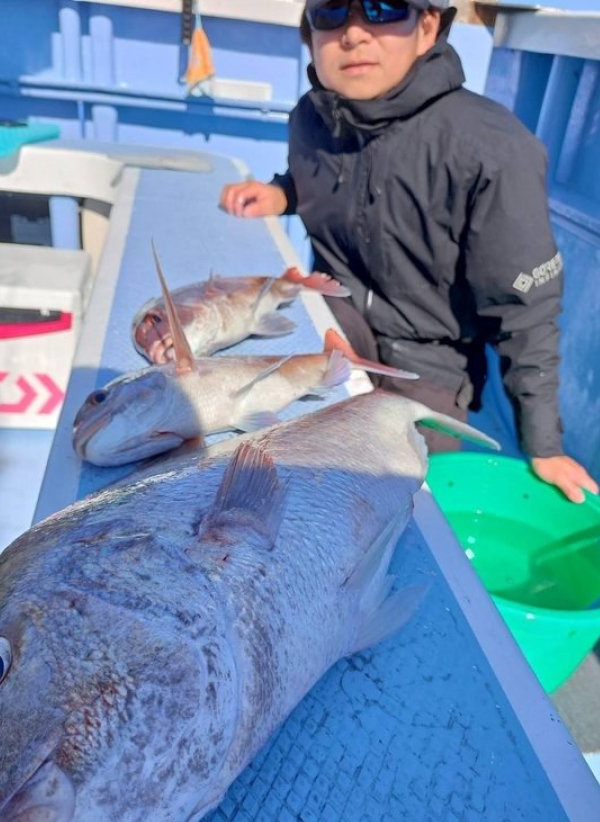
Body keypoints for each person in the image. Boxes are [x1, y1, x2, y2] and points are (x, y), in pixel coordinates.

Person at [219, 0, 598, 504]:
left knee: (408, 508)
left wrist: (544, 444)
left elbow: (525, 311)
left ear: (427, 26)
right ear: (310, 32)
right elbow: (324, 183)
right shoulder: (310, 119)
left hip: (432, 365)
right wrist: (283, 193)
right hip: (334, 325)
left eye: (382, 8)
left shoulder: (493, 148)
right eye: (330, 13)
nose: (353, 32)